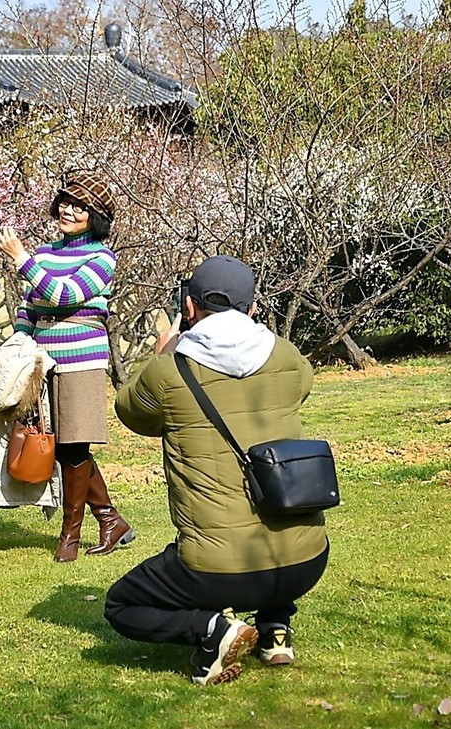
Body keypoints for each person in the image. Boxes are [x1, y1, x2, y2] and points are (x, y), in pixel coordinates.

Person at [105, 254, 329, 685]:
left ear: (188, 307)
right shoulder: (286, 355)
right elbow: (302, 387)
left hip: (217, 571)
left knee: (121, 605)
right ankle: (275, 629)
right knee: (270, 508)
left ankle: (213, 630)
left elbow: (132, 412)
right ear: (252, 309)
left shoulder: (170, 370)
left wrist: (162, 353)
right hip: (306, 559)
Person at [0, 172, 134, 563]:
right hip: (43, 361)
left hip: (81, 359)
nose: (68, 209)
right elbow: (30, 306)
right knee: (59, 446)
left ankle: (70, 536)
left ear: (96, 215)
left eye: (80, 205)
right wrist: (20, 345)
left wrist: (21, 258)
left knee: (74, 445)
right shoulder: (46, 253)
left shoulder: (101, 258)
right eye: (65, 202)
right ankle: (110, 519)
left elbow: (63, 294)